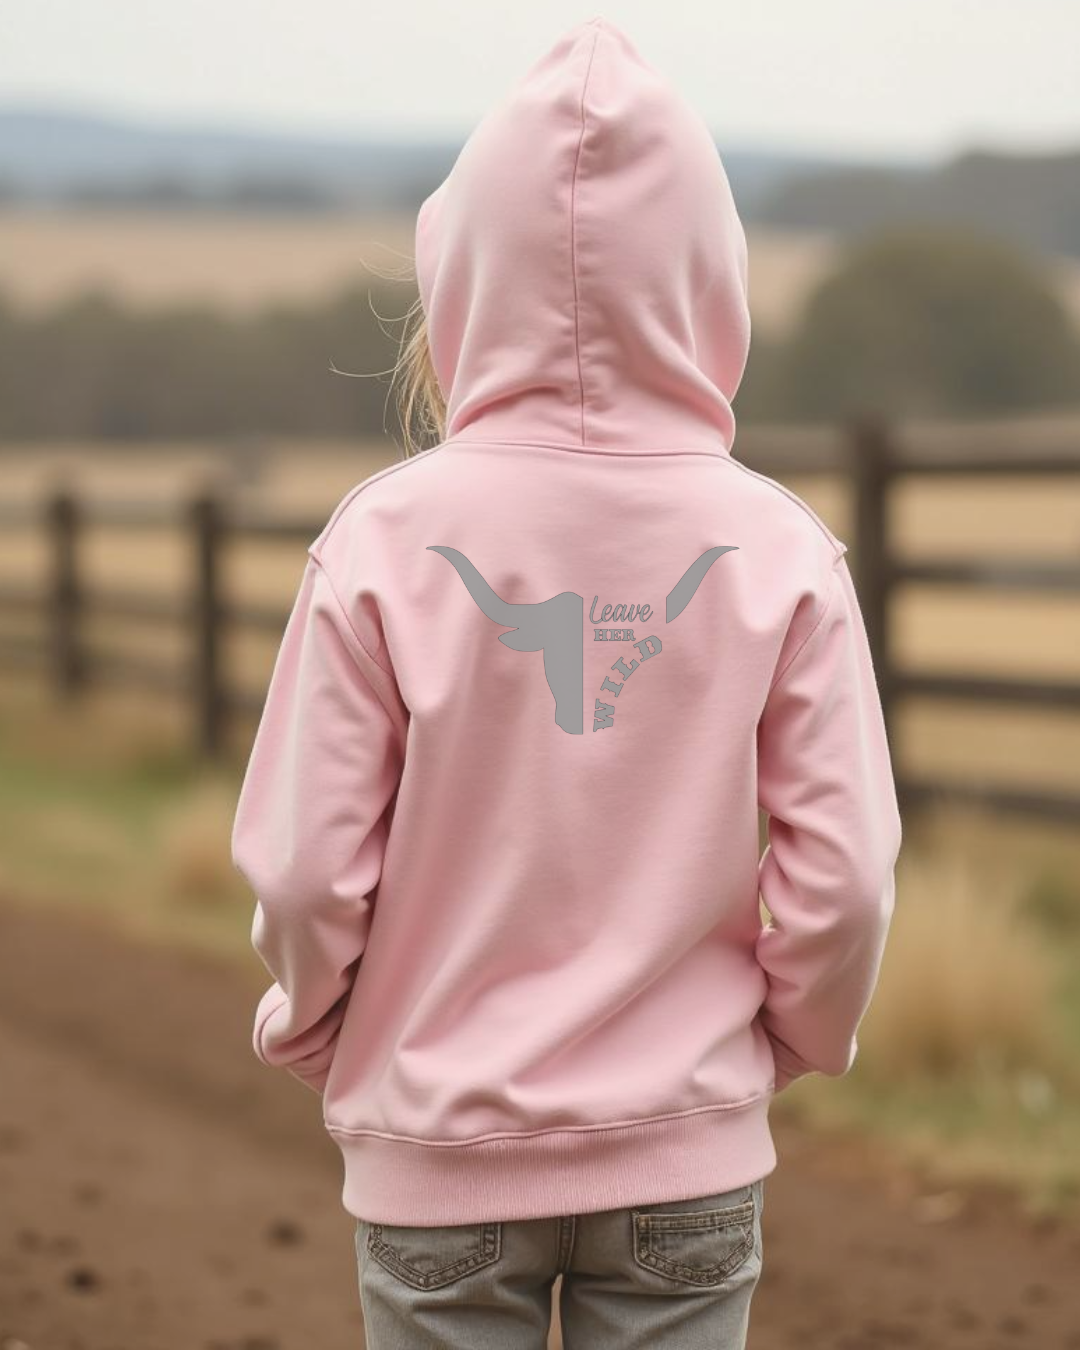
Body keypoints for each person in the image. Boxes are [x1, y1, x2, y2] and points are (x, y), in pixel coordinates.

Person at [230, 15, 903, 1348]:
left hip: (438, 1148)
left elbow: (309, 871)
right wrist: (786, 1041)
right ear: (714, 280)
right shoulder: (777, 548)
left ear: (462, 278)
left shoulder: (379, 542)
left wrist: (315, 1027)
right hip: (689, 1161)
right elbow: (848, 878)